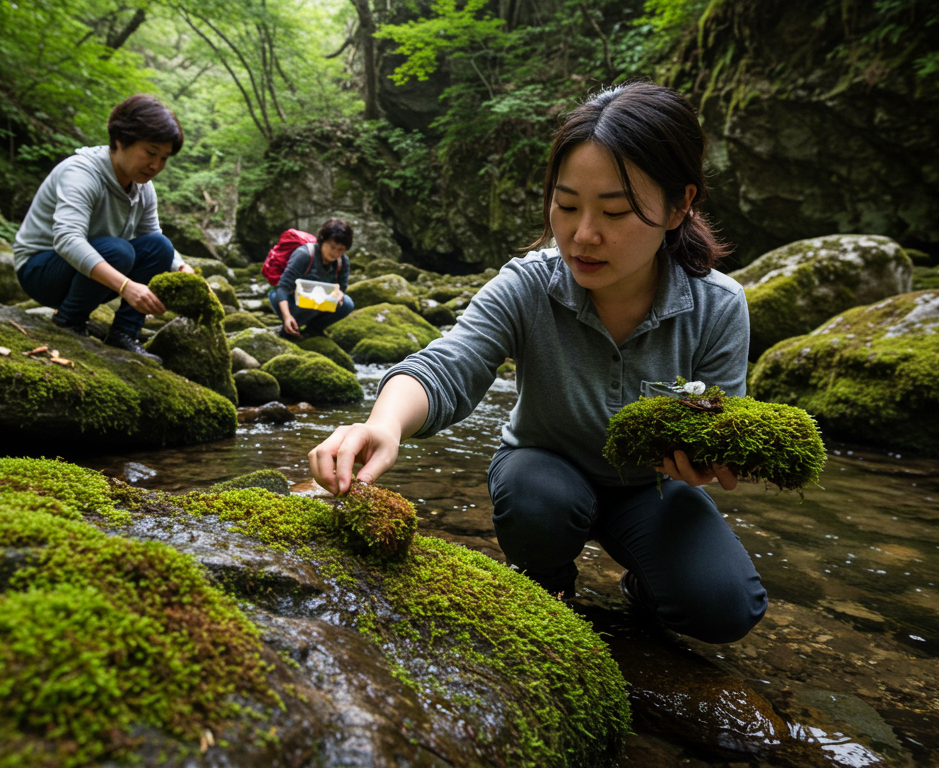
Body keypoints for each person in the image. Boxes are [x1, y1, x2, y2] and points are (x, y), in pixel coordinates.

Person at [308, 82, 767, 645]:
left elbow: (726, 421)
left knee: (725, 608)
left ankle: (644, 589)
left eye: (615, 211)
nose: (582, 234)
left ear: (678, 207)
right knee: (535, 495)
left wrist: (707, 458)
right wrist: (383, 424)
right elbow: (452, 361)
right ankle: (549, 589)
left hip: (651, 491)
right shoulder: (528, 284)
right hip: (544, 474)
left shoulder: (718, 305)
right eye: (566, 205)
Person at [13, 94, 195, 363]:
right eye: (151, 153)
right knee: (119, 251)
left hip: (92, 269)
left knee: (161, 247)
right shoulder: (81, 173)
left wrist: (181, 268)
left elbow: (151, 237)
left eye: (165, 158)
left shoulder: (143, 186)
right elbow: (67, 240)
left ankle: (124, 334)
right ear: (120, 140)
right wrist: (126, 286)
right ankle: (69, 322)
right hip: (40, 270)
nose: (156, 166)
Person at [269, 219, 354, 338]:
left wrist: (338, 293)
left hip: (316, 302)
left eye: (340, 250)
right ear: (322, 240)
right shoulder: (304, 254)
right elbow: (282, 287)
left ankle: (313, 329)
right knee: (316, 300)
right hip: (289, 300)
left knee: (347, 303)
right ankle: (289, 327)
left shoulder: (342, 261)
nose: (335, 253)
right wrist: (287, 316)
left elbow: (342, 287)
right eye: (332, 247)